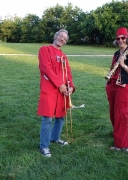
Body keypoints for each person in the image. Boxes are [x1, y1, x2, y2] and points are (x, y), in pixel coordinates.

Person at [37, 29, 75, 157]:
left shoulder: (64, 56)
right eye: (61, 36)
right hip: (49, 90)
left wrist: (71, 87)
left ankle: (55, 138)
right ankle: (44, 146)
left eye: (65, 38)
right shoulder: (44, 50)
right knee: (47, 119)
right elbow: (46, 68)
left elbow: (68, 73)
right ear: (55, 36)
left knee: (60, 117)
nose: (62, 39)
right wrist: (60, 85)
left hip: (63, 91)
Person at [105, 27, 128, 152]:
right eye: (118, 38)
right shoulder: (116, 53)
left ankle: (122, 145)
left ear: (127, 39)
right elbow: (112, 68)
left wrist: (123, 64)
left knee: (121, 115)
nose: (120, 40)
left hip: (123, 87)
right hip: (112, 85)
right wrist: (107, 82)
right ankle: (119, 134)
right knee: (113, 114)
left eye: (123, 38)